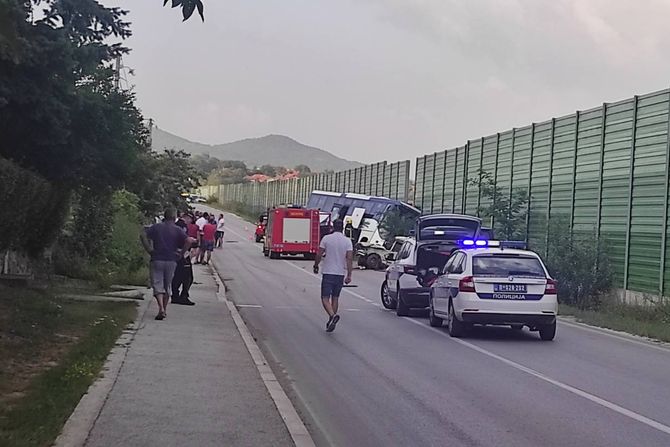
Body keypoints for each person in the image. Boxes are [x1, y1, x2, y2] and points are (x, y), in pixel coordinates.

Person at [140, 208, 191, 320]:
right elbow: (189, 241)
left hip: (157, 258)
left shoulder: (156, 227)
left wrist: (149, 249)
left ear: (164, 216)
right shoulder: (177, 229)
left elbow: (143, 234)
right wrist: (181, 253)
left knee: (157, 284)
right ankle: (164, 309)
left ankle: (161, 308)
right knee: (167, 285)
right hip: (171, 260)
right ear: (174, 217)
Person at [313, 219, 353, 332]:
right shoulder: (347, 241)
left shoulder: (326, 239)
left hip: (328, 272)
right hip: (340, 274)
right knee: (335, 298)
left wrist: (316, 265)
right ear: (343, 228)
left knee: (325, 298)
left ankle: (332, 315)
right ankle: (332, 319)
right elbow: (349, 258)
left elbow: (319, 253)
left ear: (333, 227)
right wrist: (349, 275)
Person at [172, 219, 196, 306]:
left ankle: (175, 295)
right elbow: (186, 241)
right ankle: (183, 296)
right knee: (187, 277)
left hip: (176, 254)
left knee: (177, 277)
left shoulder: (174, 227)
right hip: (183, 256)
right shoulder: (181, 227)